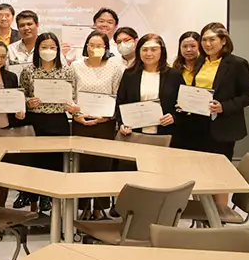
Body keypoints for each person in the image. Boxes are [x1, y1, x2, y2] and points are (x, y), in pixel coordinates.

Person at [181, 23, 249, 209]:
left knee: (220, 173)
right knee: (201, 172)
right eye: (204, 40)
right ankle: (205, 214)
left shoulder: (236, 63)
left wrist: (224, 106)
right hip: (198, 125)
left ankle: (220, 215)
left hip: (222, 126)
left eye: (212, 39)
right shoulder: (201, 62)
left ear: (223, 41)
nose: (207, 44)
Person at [18, 32, 78, 211]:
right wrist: (28, 102)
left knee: (54, 162)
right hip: (35, 121)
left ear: (58, 49)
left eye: (52, 47)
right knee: (34, 162)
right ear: (37, 49)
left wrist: (72, 106)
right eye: (44, 47)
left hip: (58, 121)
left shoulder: (67, 70)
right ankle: (32, 201)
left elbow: (73, 95)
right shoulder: (28, 70)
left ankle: (50, 199)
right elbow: (21, 94)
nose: (48, 50)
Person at [70, 30, 123, 217]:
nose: (95, 49)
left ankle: (99, 208)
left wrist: (107, 116)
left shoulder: (114, 67)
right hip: (81, 122)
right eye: (92, 45)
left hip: (104, 123)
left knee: (102, 165)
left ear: (106, 48)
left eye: (99, 46)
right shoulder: (76, 66)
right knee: (82, 166)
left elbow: (117, 95)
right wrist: (75, 115)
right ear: (86, 46)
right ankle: (82, 208)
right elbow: (70, 93)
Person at [117, 33, 180, 141]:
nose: (149, 53)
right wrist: (122, 123)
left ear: (162, 51)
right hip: (134, 133)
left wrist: (174, 117)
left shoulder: (173, 75)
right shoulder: (130, 74)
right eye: (144, 50)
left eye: (154, 49)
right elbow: (120, 101)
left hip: (165, 134)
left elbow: (182, 106)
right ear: (139, 51)